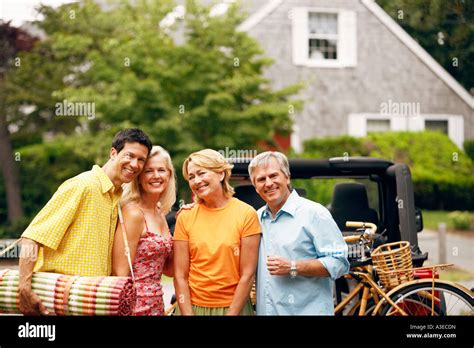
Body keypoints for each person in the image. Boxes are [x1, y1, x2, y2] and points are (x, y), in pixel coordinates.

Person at [19, 128, 152, 316]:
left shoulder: (116, 198)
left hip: (89, 304)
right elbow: (31, 238)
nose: (135, 164)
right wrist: (24, 288)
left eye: (141, 160)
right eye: (129, 155)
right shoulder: (83, 186)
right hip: (59, 304)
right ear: (113, 153)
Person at [248, 151, 349, 315]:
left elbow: (339, 263)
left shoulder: (315, 213)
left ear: (287, 177)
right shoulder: (255, 219)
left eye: (274, 175)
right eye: (261, 179)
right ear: (255, 186)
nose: (268, 183)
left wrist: (294, 267)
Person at [173, 149, 261, 315]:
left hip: (234, 308)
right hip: (192, 308)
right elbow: (180, 275)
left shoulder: (246, 214)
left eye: (201, 173)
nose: (196, 181)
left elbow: (247, 275)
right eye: (191, 177)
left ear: (221, 174)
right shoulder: (185, 216)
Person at [112, 146, 175, 316]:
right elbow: (120, 273)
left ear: (169, 175)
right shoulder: (133, 213)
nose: (156, 176)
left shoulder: (160, 211)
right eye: (148, 171)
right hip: (134, 308)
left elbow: (168, 270)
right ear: (139, 178)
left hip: (157, 304)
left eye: (161, 170)